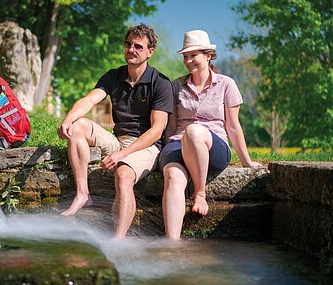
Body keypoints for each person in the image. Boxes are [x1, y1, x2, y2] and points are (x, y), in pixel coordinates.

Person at [57, 23, 173, 239]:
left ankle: (117, 241)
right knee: (78, 127)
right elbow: (90, 100)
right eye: (128, 44)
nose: (131, 49)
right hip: (118, 140)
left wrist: (122, 155)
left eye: (138, 46)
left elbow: (157, 131)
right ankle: (82, 194)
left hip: (147, 146)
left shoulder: (160, 83)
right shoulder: (114, 76)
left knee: (123, 175)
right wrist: (68, 120)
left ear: (150, 52)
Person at [159, 30, 263, 240]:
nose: (188, 61)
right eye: (185, 56)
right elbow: (170, 126)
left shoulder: (226, 84)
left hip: (213, 149)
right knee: (173, 177)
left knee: (195, 131)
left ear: (208, 55)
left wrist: (247, 161)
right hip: (178, 145)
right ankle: (172, 245)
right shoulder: (176, 86)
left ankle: (200, 194)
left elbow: (233, 126)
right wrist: (161, 152)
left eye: (193, 55)